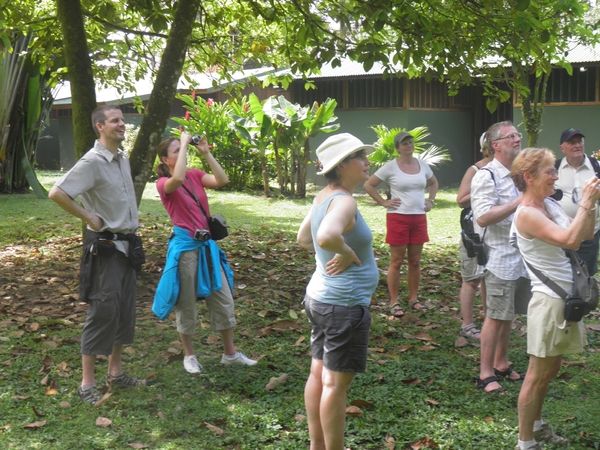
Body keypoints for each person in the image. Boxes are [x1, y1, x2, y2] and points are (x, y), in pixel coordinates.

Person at [49, 105, 146, 405]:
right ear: (99, 126)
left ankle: (115, 373)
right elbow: (57, 192)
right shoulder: (91, 161)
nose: (122, 124)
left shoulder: (121, 159)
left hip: (127, 246)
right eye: (115, 120)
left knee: (124, 309)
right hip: (105, 249)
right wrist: (87, 216)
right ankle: (86, 383)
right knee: (102, 311)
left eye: (122, 119)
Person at [510, 148, 599, 450]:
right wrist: (585, 200)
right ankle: (525, 443)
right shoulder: (527, 214)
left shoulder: (548, 204)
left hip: (564, 300)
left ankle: (535, 426)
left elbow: (584, 234)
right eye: (549, 171)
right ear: (528, 177)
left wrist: (593, 205)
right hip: (549, 302)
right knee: (536, 375)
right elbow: (569, 240)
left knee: (551, 369)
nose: (555, 176)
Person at [297, 133, 378, 450]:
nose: (367, 161)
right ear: (342, 165)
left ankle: (318, 445)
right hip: (343, 308)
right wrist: (343, 251)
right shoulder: (344, 200)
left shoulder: (324, 196)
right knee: (334, 384)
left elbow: (305, 238)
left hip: (320, 300)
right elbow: (327, 235)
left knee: (319, 375)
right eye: (360, 156)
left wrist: (336, 249)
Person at [152, 131, 256, 374]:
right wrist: (186, 143)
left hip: (207, 246)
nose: (182, 152)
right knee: (186, 302)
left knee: (222, 297)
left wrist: (206, 153)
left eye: (182, 148)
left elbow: (222, 180)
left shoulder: (195, 176)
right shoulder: (163, 183)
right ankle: (189, 355)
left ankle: (230, 354)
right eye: (176, 151)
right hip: (185, 248)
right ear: (165, 161)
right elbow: (176, 180)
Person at [471, 121, 531, 393]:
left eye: (518, 135)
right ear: (496, 145)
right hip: (499, 259)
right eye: (511, 136)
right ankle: (485, 373)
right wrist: (520, 201)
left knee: (509, 316)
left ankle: (502, 363)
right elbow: (483, 217)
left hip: (522, 260)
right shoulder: (487, 176)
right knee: (495, 317)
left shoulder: (521, 174)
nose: (517, 139)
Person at [363, 131, 439, 318]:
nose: (409, 146)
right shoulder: (391, 167)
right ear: (397, 148)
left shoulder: (422, 165)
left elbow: (433, 182)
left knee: (415, 261)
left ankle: (414, 299)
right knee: (396, 261)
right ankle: (394, 301)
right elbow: (369, 185)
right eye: (405, 144)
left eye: (411, 143)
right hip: (398, 217)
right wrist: (383, 202)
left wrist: (431, 201)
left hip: (419, 217)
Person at [456, 133, 493, 340]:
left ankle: (492, 321)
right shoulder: (476, 170)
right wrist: (482, 189)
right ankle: (467, 325)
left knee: (490, 279)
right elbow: (461, 199)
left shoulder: (508, 169)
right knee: (472, 279)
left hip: (497, 233)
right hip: (474, 234)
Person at [555, 128, 600, 275]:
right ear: (562, 148)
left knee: (586, 278)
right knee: (563, 275)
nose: (577, 145)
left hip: (589, 235)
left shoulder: (596, 167)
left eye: (580, 141)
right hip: (561, 233)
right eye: (571, 142)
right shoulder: (554, 168)